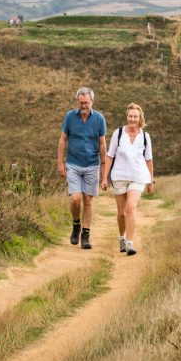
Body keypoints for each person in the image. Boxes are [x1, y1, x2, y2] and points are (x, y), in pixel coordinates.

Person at [57, 87, 107, 249]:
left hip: (92, 165)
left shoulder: (99, 119)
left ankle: (85, 235)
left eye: (86, 103)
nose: (83, 106)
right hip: (73, 164)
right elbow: (63, 139)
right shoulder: (70, 117)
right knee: (75, 198)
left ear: (92, 102)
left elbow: (102, 143)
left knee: (88, 201)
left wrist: (103, 167)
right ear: (77, 102)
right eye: (81, 103)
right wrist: (60, 162)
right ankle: (76, 225)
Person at [101, 103, 154, 256]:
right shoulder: (118, 134)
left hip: (138, 176)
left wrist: (151, 181)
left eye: (135, 116)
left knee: (130, 208)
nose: (132, 119)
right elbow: (109, 156)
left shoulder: (145, 136)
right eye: (130, 116)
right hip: (119, 176)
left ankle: (130, 243)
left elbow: (149, 160)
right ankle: (122, 237)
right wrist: (105, 177)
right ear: (127, 117)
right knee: (121, 213)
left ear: (140, 118)